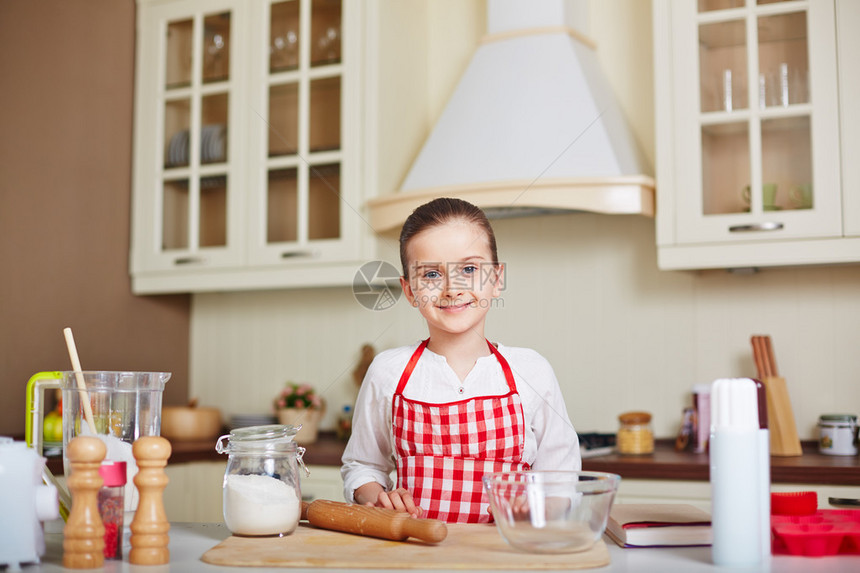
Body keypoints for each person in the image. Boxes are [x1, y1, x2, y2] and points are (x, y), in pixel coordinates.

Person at [341, 197, 581, 523]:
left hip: (506, 556)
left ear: (496, 280)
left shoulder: (532, 371)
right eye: (430, 274)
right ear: (410, 291)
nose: (452, 288)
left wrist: (540, 510)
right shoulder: (388, 372)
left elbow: (561, 479)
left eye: (469, 269)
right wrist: (380, 498)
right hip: (415, 555)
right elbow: (362, 466)